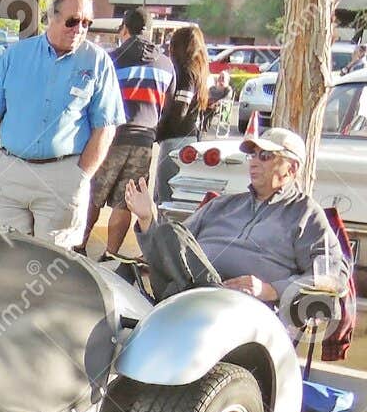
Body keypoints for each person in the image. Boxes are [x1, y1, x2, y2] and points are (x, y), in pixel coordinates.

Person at [119, 127, 349, 331]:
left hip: (245, 313)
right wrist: (148, 219)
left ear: (291, 168)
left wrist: (272, 289)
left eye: (265, 156)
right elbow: (174, 249)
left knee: (170, 235)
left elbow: (331, 277)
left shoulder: (306, 214)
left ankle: (195, 300)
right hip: (186, 293)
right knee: (165, 237)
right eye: (252, 155)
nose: (254, 162)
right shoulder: (224, 204)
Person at [0, 0, 125, 248]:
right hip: (10, 170)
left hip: (63, 176)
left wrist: (80, 176)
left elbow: (105, 128)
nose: (80, 29)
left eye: (87, 23)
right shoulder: (15, 56)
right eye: (72, 21)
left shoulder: (98, 62)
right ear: (51, 17)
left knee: (50, 266)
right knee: (1, 260)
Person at [85, 7, 174, 257]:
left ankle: (78, 247)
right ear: (151, 32)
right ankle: (111, 254)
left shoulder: (111, 60)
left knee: (93, 194)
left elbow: (93, 98)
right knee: (125, 200)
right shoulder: (167, 65)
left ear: (124, 29)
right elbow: (169, 105)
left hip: (111, 137)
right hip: (145, 140)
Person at [157, 25, 210, 141]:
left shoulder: (186, 72)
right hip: (190, 133)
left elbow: (180, 108)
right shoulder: (200, 70)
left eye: (172, 44)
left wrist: (159, 132)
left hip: (176, 138)